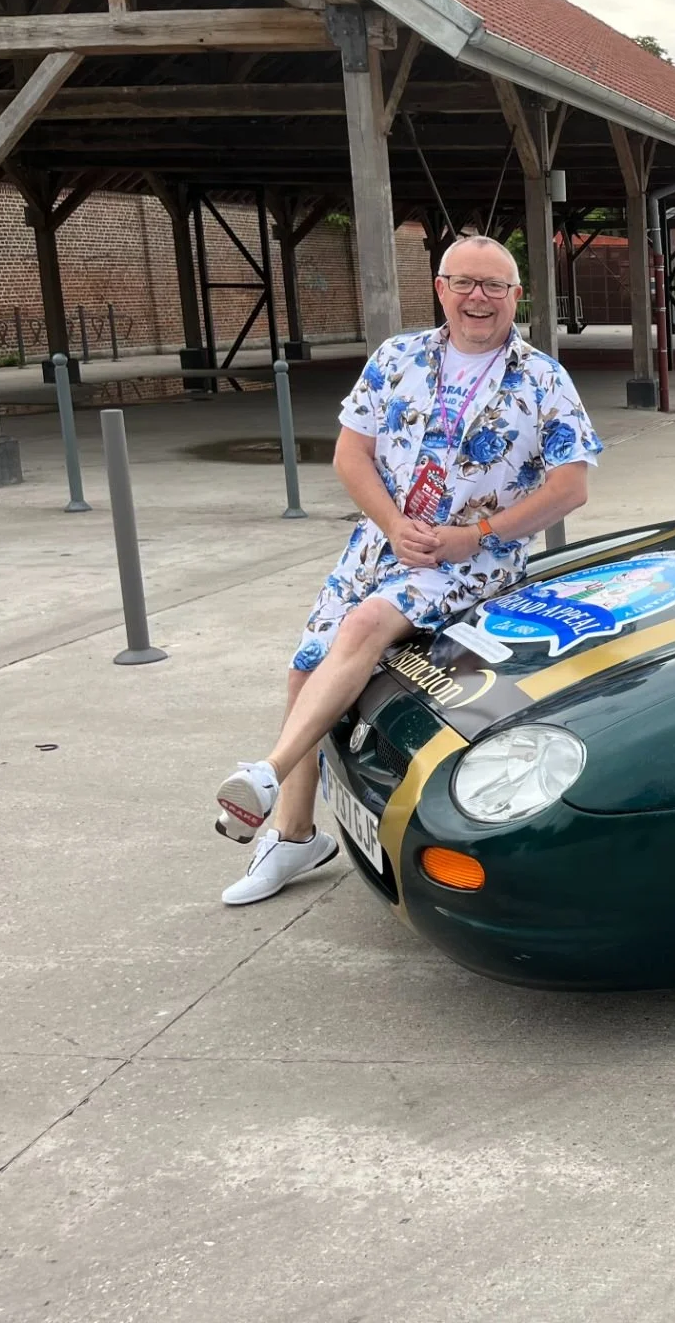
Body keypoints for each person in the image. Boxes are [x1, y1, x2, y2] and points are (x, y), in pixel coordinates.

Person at [211, 234, 602, 905]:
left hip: (475, 560)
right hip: (378, 546)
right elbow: (350, 455)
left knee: (363, 626)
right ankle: (297, 834)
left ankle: (269, 772)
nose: (478, 297)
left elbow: (572, 485)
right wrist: (393, 525)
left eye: (495, 286)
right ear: (440, 288)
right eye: (465, 282)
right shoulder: (397, 359)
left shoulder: (541, 379)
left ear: (516, 297)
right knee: (306, 667)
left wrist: (473, 535)